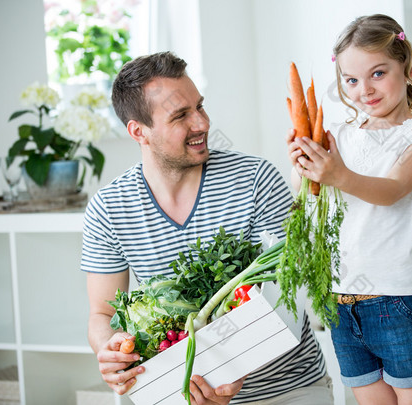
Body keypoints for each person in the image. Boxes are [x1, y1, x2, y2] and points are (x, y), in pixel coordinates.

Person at [82, 51, 333, 405]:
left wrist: (233, 368)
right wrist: (108, 351)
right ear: (139, 131)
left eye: (199, 106)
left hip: (287, 389)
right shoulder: (109, 208)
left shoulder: (255, 179)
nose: (201, 123)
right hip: (181, 392)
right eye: (181, 116)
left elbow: (287, 293)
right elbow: (102, 314)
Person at [286, 14, 412, 405]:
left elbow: (391, 189)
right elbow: (309, 195)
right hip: (340, 299)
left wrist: (337, 173)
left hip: (398, 300)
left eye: (378, 73)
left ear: (406, 66)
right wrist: (302, 165)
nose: (365, 90)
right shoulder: (338, 134)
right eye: (352, 80)